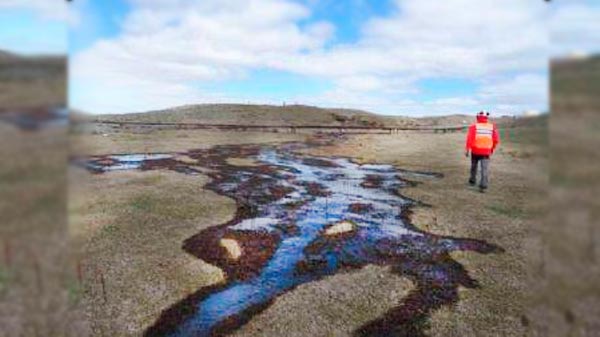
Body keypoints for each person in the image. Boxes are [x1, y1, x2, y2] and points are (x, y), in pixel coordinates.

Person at [465, 111, 500, 192]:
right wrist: (492, 148)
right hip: (486, 151)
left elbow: (469, 139)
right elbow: (496, 140)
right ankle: (483, 185)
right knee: (484, 168)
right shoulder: (492, 127)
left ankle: (472, 180)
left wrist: (467, 150)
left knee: (474, 166)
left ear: (477, 117)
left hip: (475, 150)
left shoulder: (473, 127)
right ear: (486, 118)